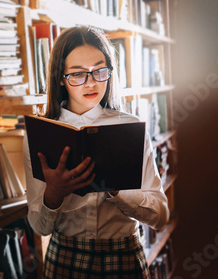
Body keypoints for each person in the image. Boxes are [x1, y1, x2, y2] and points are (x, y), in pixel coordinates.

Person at [23, 26, 169, 278]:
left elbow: (160, 216)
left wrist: (119, 190)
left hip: (123, 253)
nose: (91, 83)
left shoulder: (129, 127)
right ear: (60, 77)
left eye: (100, 71)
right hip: (65, 256)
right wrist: (53, 195)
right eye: (78, 74)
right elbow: (39, 227)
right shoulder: (41, 134)